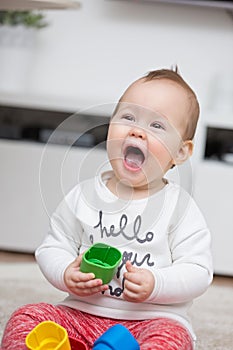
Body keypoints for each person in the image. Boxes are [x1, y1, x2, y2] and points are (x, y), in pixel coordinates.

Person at [1, 68, 213, 350]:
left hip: (150, 321)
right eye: (128, 117)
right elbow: (52, 247)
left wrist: (156, 283)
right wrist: (66, 272)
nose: (137, 130)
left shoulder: (180, 207)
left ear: (181, 152)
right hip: (80, 314)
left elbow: (198, 271)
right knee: (26, 318)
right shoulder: (84, 195)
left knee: (171, 340)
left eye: (157, 126)